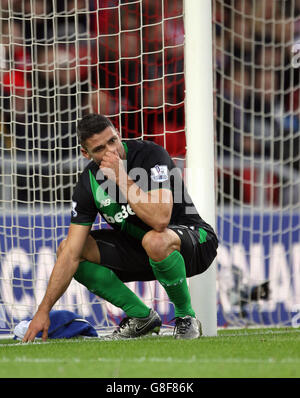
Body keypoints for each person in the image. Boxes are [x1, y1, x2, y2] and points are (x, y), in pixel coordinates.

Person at [23, 113, 218, 342]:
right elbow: (70, 254)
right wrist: (43, 310)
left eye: (112, 141)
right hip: (143, 251)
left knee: (155, 239)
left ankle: (186, 318)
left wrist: (121, 177)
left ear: (118, 134)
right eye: (99, 149)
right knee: (68, 248)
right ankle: (141, 317)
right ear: (86, 154)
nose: (110, 152)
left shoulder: (150, 155)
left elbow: (160, 220)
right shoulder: (89, 182)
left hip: (194, 243)